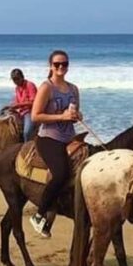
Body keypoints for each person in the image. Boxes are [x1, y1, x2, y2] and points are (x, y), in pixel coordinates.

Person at [29, 50, 80, 238]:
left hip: (70, 137)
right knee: (61, 174)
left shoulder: (74, 89)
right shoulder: (46, 87)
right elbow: (35, 116)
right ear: (50, 66)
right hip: (50, 138)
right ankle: (39, 214)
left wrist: (76, 116)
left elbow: (75, 114)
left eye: (64, 64)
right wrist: (62, 117)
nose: (61, 67)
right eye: (57, 64)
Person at [9, 68, 38, 140]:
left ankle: (27, 145)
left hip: (30, 111)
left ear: (22, 77)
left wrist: (18, 105)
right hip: (21, 112)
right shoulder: (17, 88)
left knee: (27, 132)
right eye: (14, 80)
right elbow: (16, 100)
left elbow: (33, 102)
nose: (16, 81)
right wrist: (12, 107)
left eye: (17, 79)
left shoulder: (30, 85)